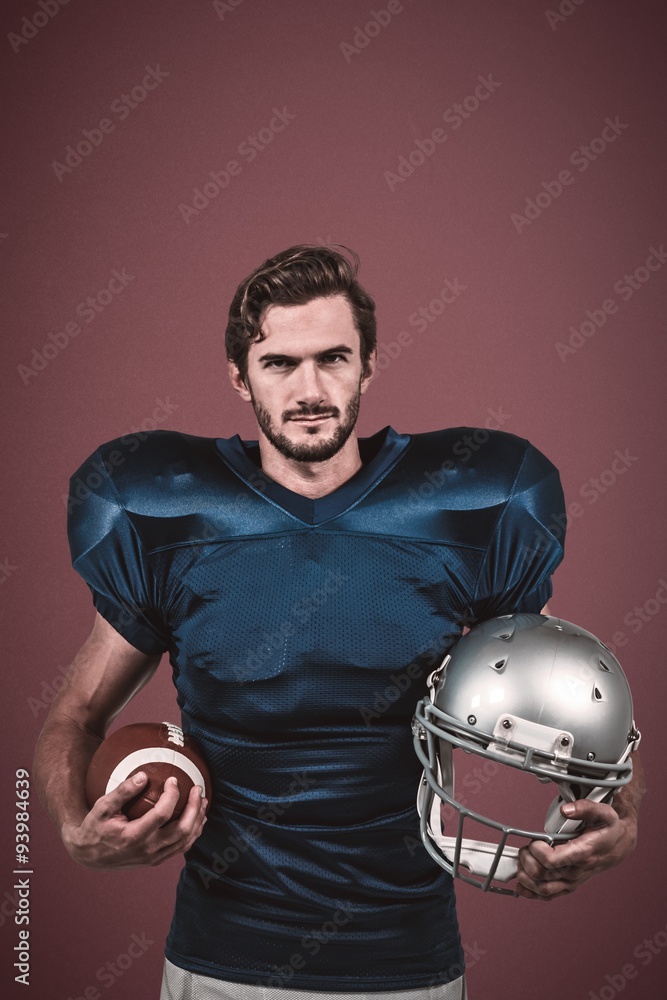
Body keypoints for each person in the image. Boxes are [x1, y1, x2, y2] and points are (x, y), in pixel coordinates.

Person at [34, 245, 643, 1000]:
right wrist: (68, 826)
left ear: (368, 364)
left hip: (408, 961)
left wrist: (620, 817)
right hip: (221, 958)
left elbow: (582, 704)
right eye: (280, 363)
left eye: (332, 358)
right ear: (238, 376)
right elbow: (76, 713)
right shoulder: (171, 517)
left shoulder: (462, 510)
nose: (310, 388)